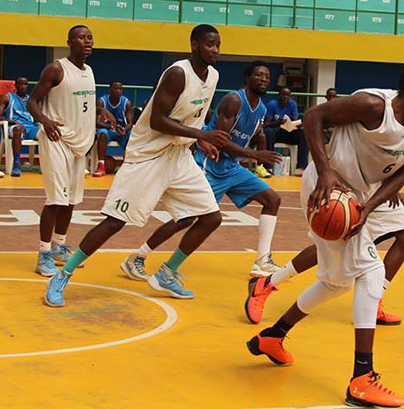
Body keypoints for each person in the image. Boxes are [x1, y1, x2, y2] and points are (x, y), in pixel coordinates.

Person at [245, 57, 404, 409]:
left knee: (336, 281)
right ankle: (362, 379)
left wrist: (369, 207)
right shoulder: (372, 106)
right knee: (370, 271)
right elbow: (313, 117)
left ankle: (271, 337)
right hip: (328, 190)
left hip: (361, 194)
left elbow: (402, 175)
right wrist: (324, 170)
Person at [243, 73, 404, 333]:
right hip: (343, 181)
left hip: (372, 186)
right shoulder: (389, 106)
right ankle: (268, 288)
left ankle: (374, 300)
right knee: (337, 250)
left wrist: (389, 183)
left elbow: (400, 163)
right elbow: (319, 118)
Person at [44, 24, 230, 306]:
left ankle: (167, 272)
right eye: (209, 44)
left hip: (178, 156)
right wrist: (201, 134)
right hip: (148, 156)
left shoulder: (213, 76)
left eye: (217, 45)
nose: (214, 50)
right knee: (115, 221)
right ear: (194, 45)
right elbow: (158, 120)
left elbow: (191, 117)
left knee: (211, 218)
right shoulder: (178, 74)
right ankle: (63, 275)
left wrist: (199, 140)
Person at [120, 60, 285, 282]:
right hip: (210, 163)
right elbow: (219, 142)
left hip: (231, 167)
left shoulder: (262, 109)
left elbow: (251, 137)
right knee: (187, 218)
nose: (263, 79)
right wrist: (255, 155)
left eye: (266, 76)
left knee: (272, 200)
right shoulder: (234, 100)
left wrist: (259, 149)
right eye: (258, 75)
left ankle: (262, 259)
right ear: (247, 78)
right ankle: (138, 257)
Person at [27, 26, 112, 277]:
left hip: (80, 145)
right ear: (69, 42)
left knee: (71, 200)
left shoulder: (89, 71)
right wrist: (45, 120)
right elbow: (33, 101)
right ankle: (43, 254)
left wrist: (101, 113)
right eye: (82, 37)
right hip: (57, 140)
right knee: (55, 200)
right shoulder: (56, 69)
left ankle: (59, 245)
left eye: (90, 38)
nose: (88, 41)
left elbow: (80, 105)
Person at [0, 76, 40, 177]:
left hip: (30, 128)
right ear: (15, 86)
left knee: (45, 132)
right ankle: (16, 164)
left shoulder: (31, 100)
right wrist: (13, 122)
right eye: (20, 84)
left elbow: (37, 118)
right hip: (13, 127)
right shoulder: (8, 97)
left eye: (25, 84)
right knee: (18, 129)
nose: (23, 86)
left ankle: (45, 164)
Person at [92, 80, 133, 177]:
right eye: (115, 88)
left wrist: (124, 130)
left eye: (120, 89)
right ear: (110, 90)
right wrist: (110, 127)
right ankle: (101, 165)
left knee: (130, 136)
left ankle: (127, 167)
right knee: (102, 133)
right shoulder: (102, 101)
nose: (118, 91)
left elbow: (130, 122)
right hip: (107, 129)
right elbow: (97, 122)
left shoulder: (126, 102)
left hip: (121, 131)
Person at [263, 87, 308, 173]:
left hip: (287, 132)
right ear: (279, 95)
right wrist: (278, 122)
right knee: (267, 132)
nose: (285, 97)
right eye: (283, 95)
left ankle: (301, 167)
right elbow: (266, 124)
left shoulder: (292, 104)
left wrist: (298, 124)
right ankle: (268, 166)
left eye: (288, 95)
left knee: (304, 133)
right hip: (275, 133)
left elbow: (295, 120)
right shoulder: (272, 104)